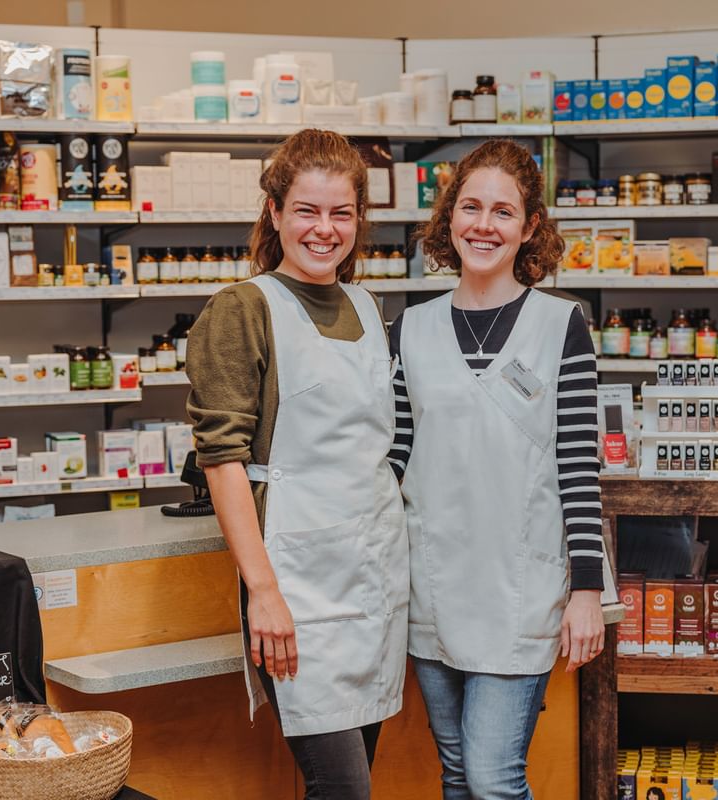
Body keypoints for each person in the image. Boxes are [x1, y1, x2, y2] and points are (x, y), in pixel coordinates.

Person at [185, 129, 407, 800]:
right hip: (297, 587)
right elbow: (222, 461)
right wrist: (264, 592)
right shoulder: (243, 309)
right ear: (276, 211)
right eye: (307, 210)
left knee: (351, 783)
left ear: (359, 219)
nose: (324, 229)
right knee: (343, 787)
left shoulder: (367, 306)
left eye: (342, 213)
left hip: (373, 580)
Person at [388, 139, 605, 798]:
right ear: (450, 217)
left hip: (520, 590)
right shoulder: (409, 329)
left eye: (503, 212)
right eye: (471, 207)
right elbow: (394, 459)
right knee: (458, 776)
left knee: (492, 778)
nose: (484, 225)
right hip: (432, 586)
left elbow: (578, 464)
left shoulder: (561, 326)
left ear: (529, 227)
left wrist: (588, 591)